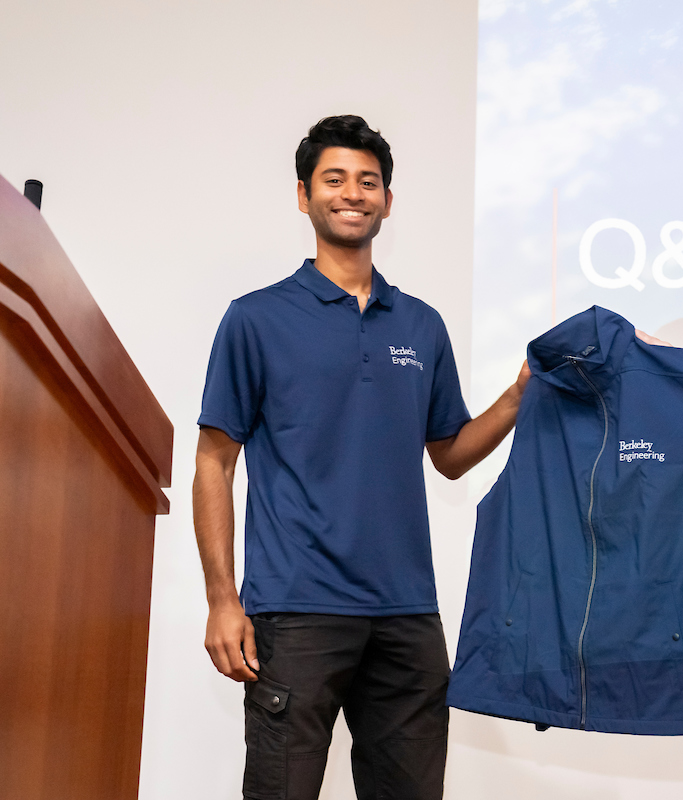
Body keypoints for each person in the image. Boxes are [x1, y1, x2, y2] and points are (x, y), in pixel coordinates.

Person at [193, 115, 528, 800]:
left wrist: (519, 396)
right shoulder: (255, 319)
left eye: (368, 181)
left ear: (387, 200)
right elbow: (213, 462)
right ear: (303, 195)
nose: (353, 193)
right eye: (335, 179)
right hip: (294, 613)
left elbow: (451, 455)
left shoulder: (421, 324)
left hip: (407, 616)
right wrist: (222, 600)